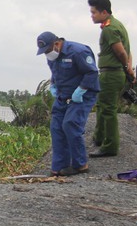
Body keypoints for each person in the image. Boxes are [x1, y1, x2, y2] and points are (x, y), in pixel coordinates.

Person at [36, 31, 100, 176]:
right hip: (63, 95)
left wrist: (81, 89)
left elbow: (92, 73)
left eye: (48, 50)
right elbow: (55, 73)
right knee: (56, 127)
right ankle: (59, 167)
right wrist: (53, 85)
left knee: (70, 123)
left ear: (57, 43)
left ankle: (81, 164)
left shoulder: (78, 51)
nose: (47, 54)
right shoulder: (51, 57)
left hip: (83, 95)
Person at [87, 0, 134, 157]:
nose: (91, 15)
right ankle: (99, 138)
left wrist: (126, 67)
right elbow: (128, 51)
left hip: (111, 73)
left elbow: (121, 51)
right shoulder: (117, 24)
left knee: (108, 110)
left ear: (104, 12)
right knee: (102, 106)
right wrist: (129, 67)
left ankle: (110, 146)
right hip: (113, 72)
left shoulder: (109, 29)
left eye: (94, 12)